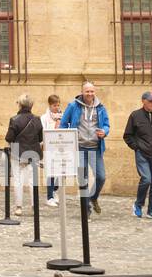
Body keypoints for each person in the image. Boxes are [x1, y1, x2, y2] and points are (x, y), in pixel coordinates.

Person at [60, 82, 109, 213]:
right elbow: (63, 124)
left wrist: (104, 131)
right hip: (79, 148)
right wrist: (67, 140)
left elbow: (106, 124)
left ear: (95, 92)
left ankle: (93, 197)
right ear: (82, 92)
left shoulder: (100, 107)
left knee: (101, 177)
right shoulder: (73, 106)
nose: (90, 94)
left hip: (95, 147)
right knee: (83, 178)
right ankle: (85, 207)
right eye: (87, 91)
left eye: (92, 91)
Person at [123, 90, 152, 220]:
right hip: (142, 153)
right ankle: (138, 205)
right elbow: (127, 135)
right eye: (150, 101)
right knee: (146, 179)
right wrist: (136, 148)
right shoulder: (135, 116)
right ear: (143, 101)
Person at [4, 93, 43, 216]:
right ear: (31, 105)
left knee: (18, 180)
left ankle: (19, 207)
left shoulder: (14, 120)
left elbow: (9, 138)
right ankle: (34, 206)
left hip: (18, 153)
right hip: (34, 153)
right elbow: (40, 138)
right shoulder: (37, 119)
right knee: (33, 181)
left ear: (20, 105)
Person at [40, 94, 63, 206]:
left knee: (60, 172)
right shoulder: (44, 118)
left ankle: (54, 190)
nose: (57, 107)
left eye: (58, 105)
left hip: (60, 147)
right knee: (51, 172)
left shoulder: (62, 116)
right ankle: (49, 197)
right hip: (49, 148)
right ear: (50, 105)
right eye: (54, 105)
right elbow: (43, 133)